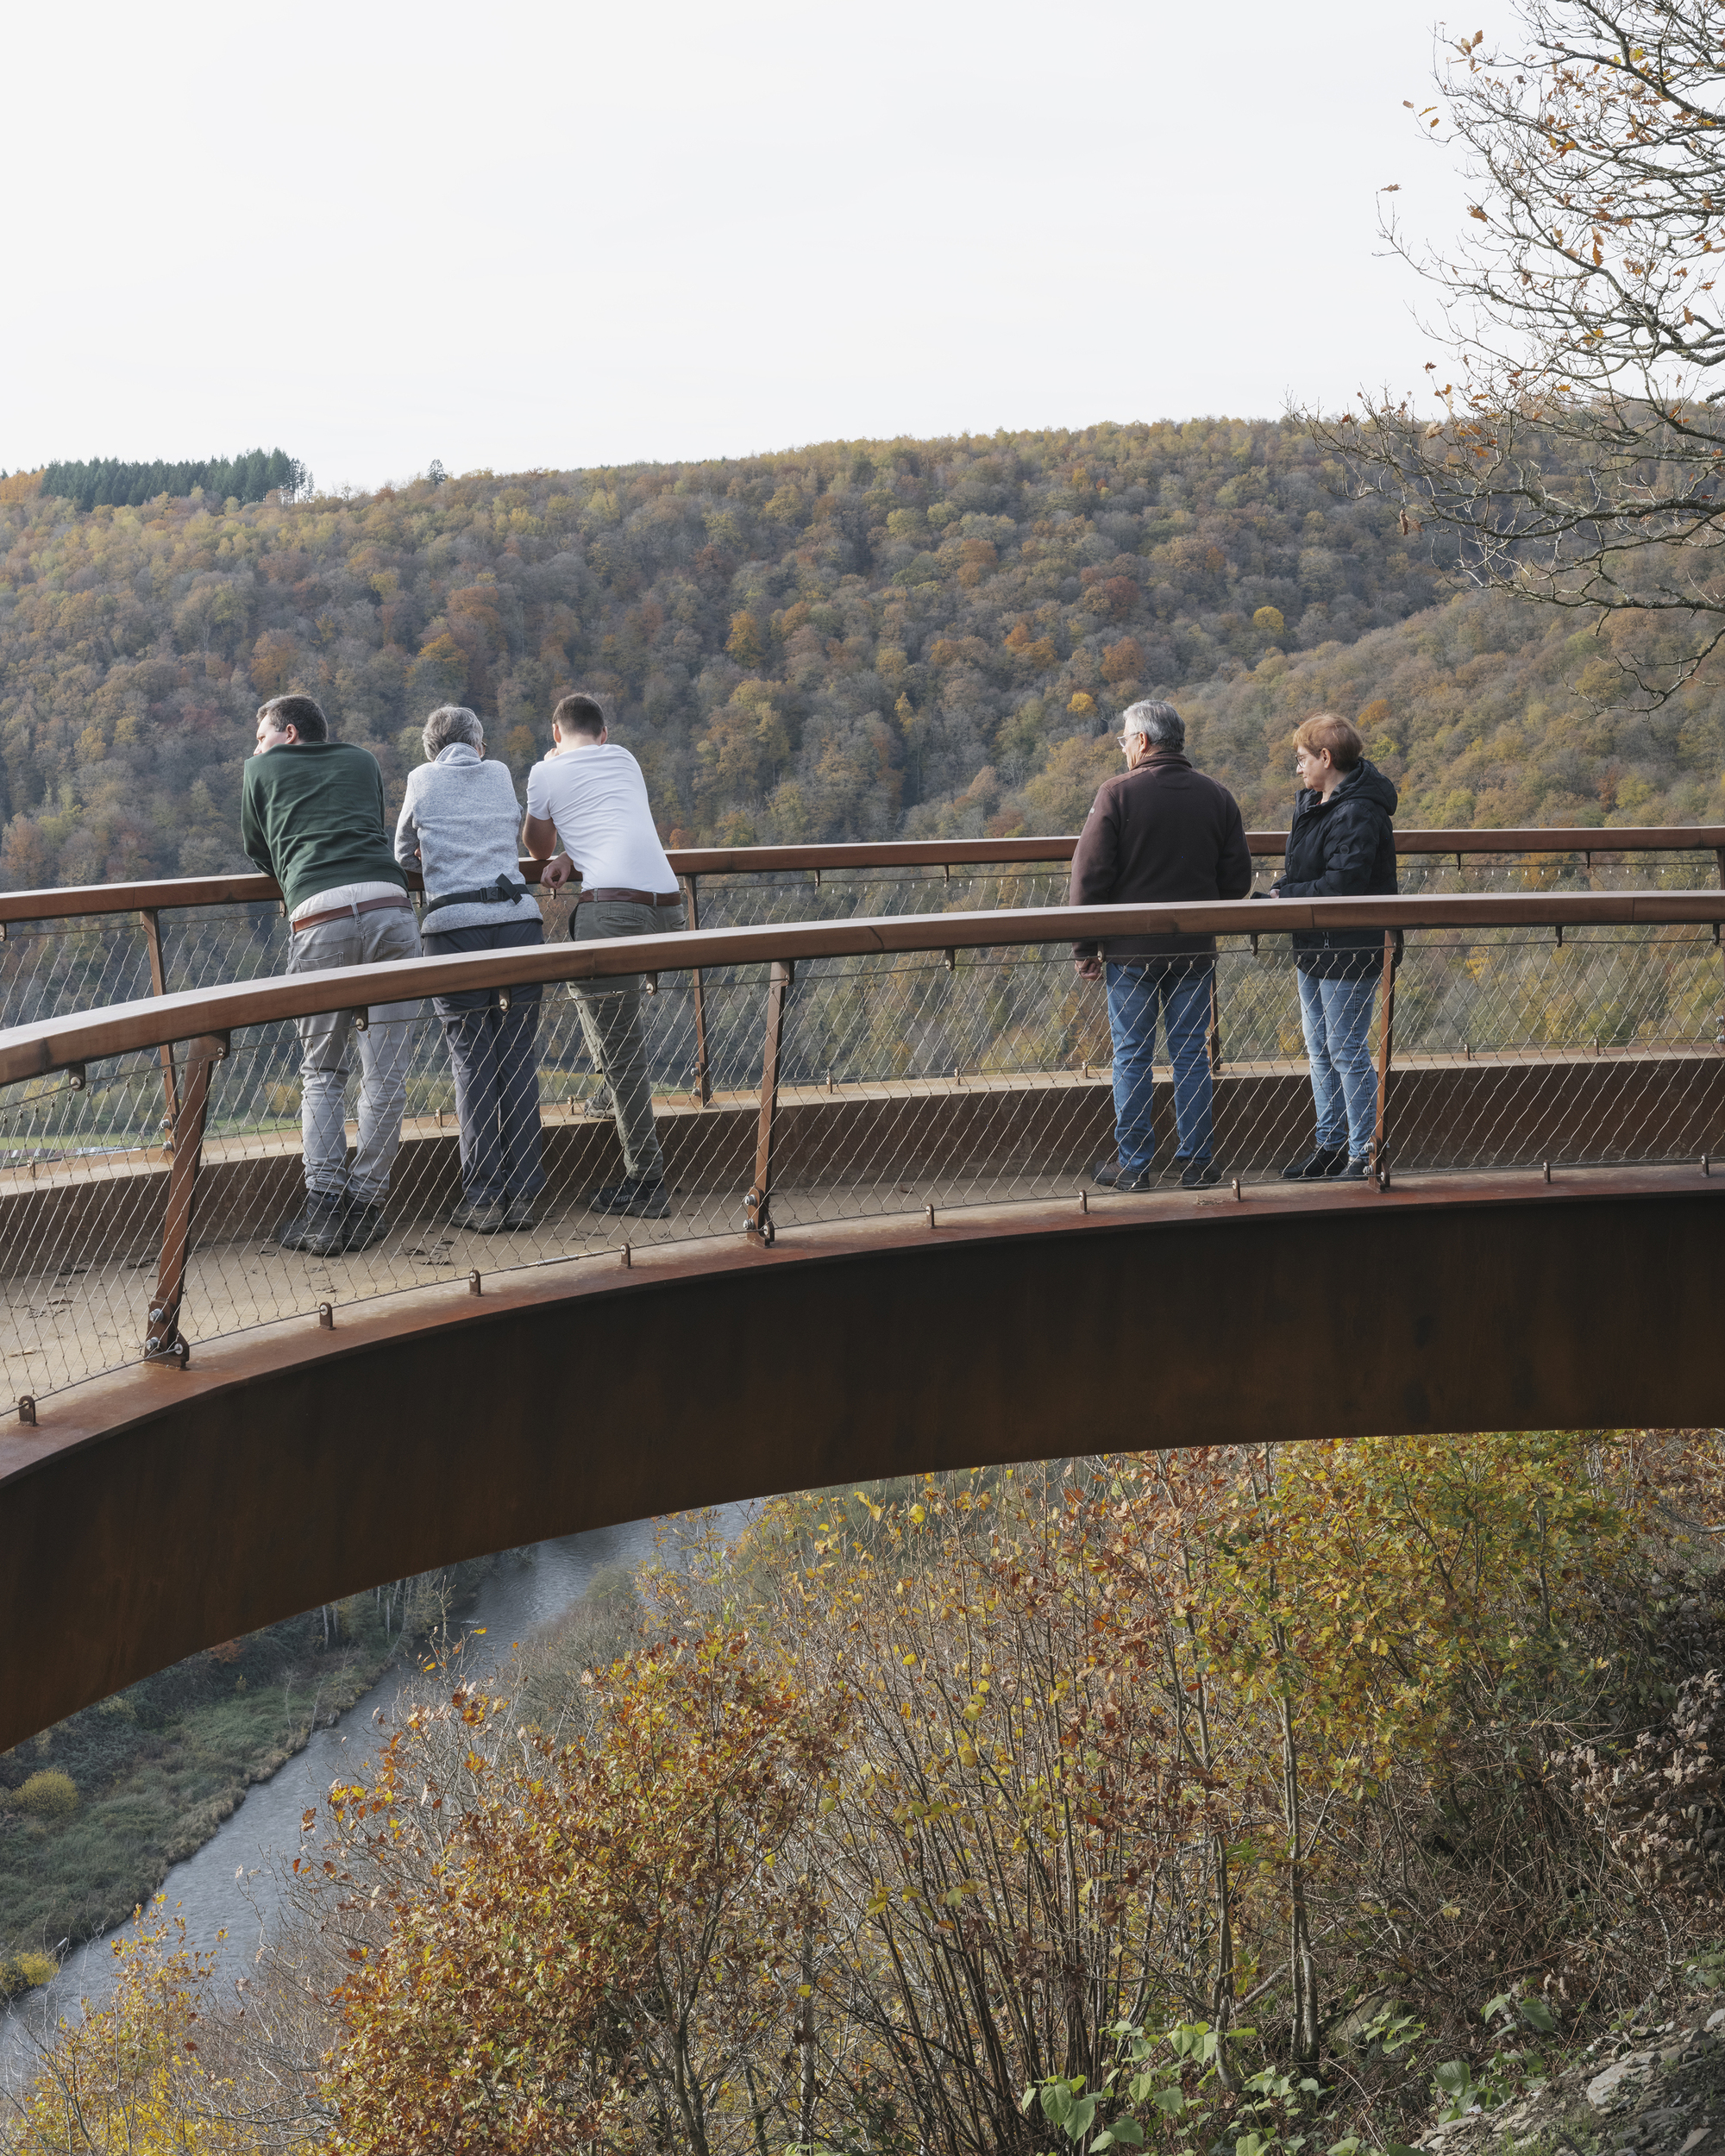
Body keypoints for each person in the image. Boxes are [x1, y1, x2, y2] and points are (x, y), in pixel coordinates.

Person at [240, 693, 422, 1256]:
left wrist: (300, 872)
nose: (257, 744)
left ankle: (323, 1207)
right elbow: (370, 823)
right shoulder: (363, 760)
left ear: (289, 733)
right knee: (385, 1071)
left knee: (323, 1069)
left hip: (320, 915)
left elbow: (259, 849)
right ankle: (366, 1206)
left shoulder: (260, 769)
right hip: (392, 908)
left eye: (261, 733)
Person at [1070, 699, 1251, 1190]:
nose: (1124, 748)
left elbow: (1089, 877)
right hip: (1194, 950)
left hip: (1130, 952)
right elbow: (1237, 882)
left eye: (1125, 739)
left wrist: (1087, 946)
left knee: (1132, 1054)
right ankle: (1197, 1163)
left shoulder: (1117, 794)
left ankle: (1135, 1167)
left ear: (1144, 741)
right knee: (1191, 1053)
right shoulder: (1217, 796)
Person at [522, 693, 686, 1219]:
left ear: (554, 734)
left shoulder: (544, 774)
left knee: (622, 1046)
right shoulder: (625, 760)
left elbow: (537, 849)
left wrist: (557, 849)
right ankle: (615, 1100)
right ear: (604, 733)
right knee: (600, 1006)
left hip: (614, 913)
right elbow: (613, 822)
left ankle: (646, 1179)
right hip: (668, 908)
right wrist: (577, 857)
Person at [396, 705, 546, 1232]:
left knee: (473, 1061)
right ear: (479, 745)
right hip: (518, 922)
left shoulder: (420, 779)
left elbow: (402, 854)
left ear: (431, 750)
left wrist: (434, 860)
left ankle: (483, 1199)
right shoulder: (501, 773)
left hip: (454, 928)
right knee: (517, 1057)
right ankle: (525, 1196)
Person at [1271, 712, 1400, 1181]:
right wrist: (1280, 891)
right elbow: (1304, 869)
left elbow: (1343, 884)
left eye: (1303, 759)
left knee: (1344, 1048)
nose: (1299, 768)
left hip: (1350, 943)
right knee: (1321, 1048)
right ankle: (1331, 1146)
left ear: (1326, 758)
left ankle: (1362, 1151)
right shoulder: (1314, 802)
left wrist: (1285, 897)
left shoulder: (1358, 811)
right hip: (1314, 942)